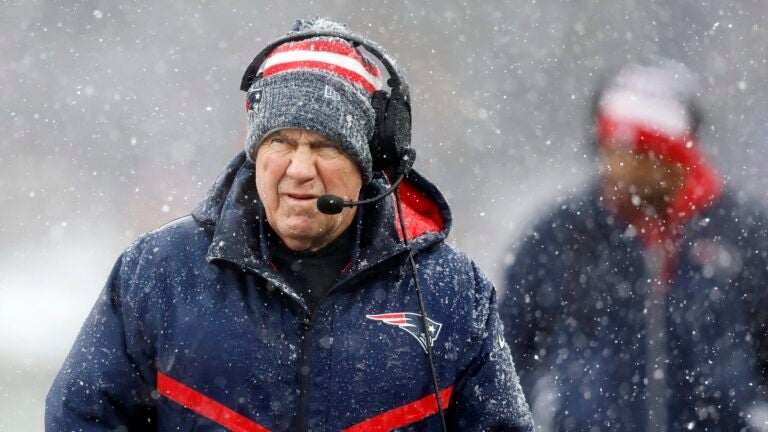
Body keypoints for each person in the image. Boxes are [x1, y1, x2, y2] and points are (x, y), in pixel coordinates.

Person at [46, 18, 533, 431]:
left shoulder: (454, 292)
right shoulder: (156, 273)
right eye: (281, 141)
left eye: (325, 146)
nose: (299, 169)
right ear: (254, 151)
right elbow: (80, 417)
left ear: (369, 162)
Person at [500, 60, 768, 431]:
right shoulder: (561, 235)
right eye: (614, 148)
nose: (624, 166)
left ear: (680, 154)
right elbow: (505, 353)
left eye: (643, 151)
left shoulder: (744, 234)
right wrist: (541, 412)